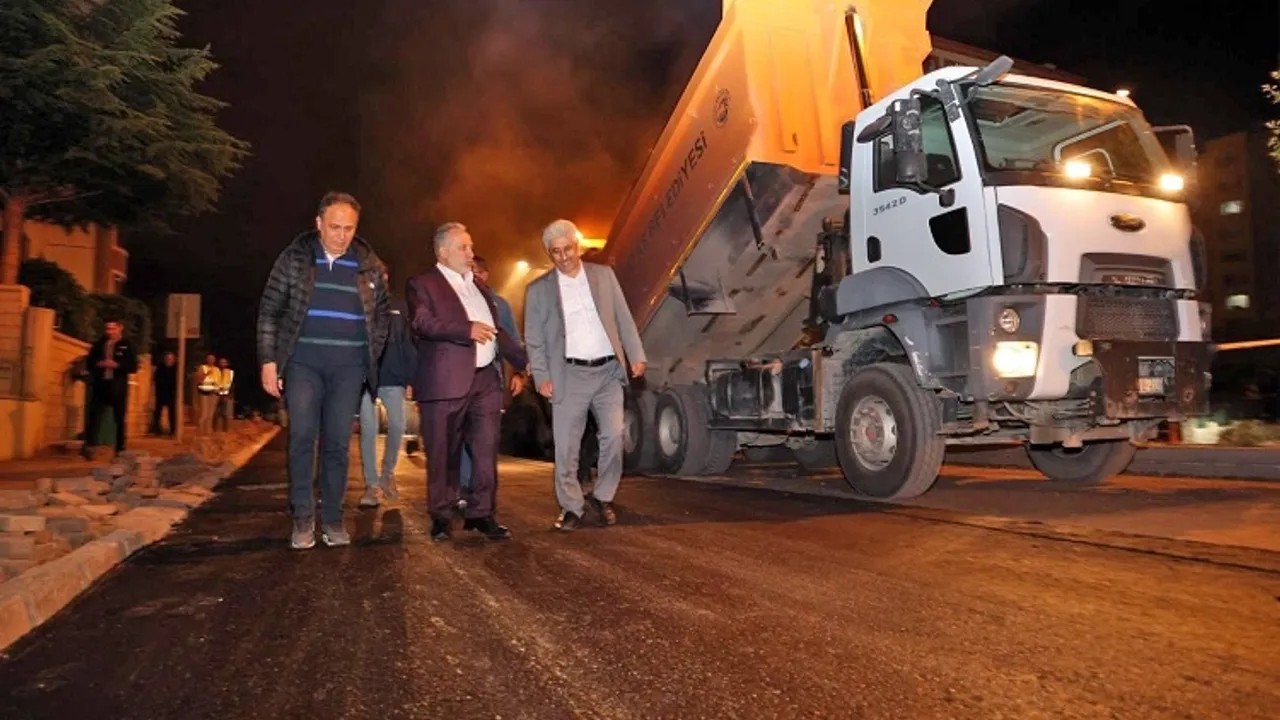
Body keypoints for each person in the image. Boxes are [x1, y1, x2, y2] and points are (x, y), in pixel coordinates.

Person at [257, 191, 390, 550]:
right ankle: (303, 518)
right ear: (318, 223)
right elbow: (269, 311)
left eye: (349, 228)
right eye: (334, 227)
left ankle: (332, 518)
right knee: (302, 438)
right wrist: (269, 361)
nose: (341, 236)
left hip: (348, 369)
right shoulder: (295, 259)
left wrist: (368, 358)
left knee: (337, 444)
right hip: (303, 365)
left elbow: (380, 318)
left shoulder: (369, 266)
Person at [406, 222, 528, 543]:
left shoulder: (481, 289)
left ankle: (481, 513)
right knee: (443, 451)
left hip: (485, 380)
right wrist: (466, 329)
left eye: (471, 246)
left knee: (486, 449)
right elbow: (422, 322)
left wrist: (524, 363)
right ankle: (441, 516)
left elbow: (498, 332)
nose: (471, 253)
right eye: (463, 247)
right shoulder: (423, 284)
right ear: (443, 251)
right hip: (445, 381)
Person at [524, 219, 647, 531]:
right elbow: (534, 339)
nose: (563, 257)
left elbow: (623, 317)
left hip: (607, 372)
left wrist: (636, 355)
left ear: (577, 246)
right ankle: (571, 507)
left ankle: (603, 497)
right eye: (555, 252)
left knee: (615, 436)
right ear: (549, 254)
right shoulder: (538, 290)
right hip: (568, 375)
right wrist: (541, 376)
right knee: (566, 447)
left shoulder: (603, 276)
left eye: (567, 249)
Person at [457, 255, 526, 509]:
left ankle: (480, 494)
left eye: (475, 271)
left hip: (490, 380)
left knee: (484, 438)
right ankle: (464, 487)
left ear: (485, 275)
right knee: (461, 434)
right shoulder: (455, 298)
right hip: (459, 379)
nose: (471, 276)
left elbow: (512, 341)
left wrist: (519, 373)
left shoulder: (499, 305)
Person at [357, 260, 417, 507]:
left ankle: (387, 474)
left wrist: (411, 378)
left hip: (394, 377)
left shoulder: (399, 306)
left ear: (386, 277)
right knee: (368, 431)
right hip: (366, 379)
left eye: (380, 275)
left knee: (398, 426)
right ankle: (371, 486)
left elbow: (408, 342)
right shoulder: (359, 305)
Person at [82, 318, 139, 458]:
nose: (110, 332)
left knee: (119, 416)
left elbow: (133, 366)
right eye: (107, 329)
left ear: (120, 328)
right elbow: (90, 362)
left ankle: (120, 447)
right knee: (94, 415)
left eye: (113, 329)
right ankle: (90, 445)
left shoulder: (127, 345)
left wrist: (117, 365)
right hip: (100, 384)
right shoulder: (99, 345)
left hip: (117, 385)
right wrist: (99, 364)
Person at [151, 351, 177, 435]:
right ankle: (156, 429)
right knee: (158, 411)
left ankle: (173, 430)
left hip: (171, 393)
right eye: (168, 358)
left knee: (172, 412)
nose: (169, 360)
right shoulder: (161, 367)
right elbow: (156, 379)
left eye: (171, 358)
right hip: (161, 392)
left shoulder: (176, 368)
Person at [195, 353, 220, 435]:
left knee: (210, 414)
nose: (211, 360)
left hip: (214, 393)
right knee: (204, 414)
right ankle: (200, 431)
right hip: (204, 393)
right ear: (207, 359)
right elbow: (199, 380)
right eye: (209, 358)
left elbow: (219, 381)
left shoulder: (217, 369)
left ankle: (208, 432)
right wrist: (206, 374)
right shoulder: (202, 367)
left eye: (212, 359)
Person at [214, 357, 234, 432]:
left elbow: (232, 385)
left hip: (227, 395)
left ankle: (227, 430)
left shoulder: (230, 372)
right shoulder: (216, 372)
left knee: (227, 414)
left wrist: (229, 395)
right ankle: (216, 430)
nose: (222, 364)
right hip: (216, 395)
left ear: (227, 364)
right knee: (216, 414)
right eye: (221, 362)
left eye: (224, 362)